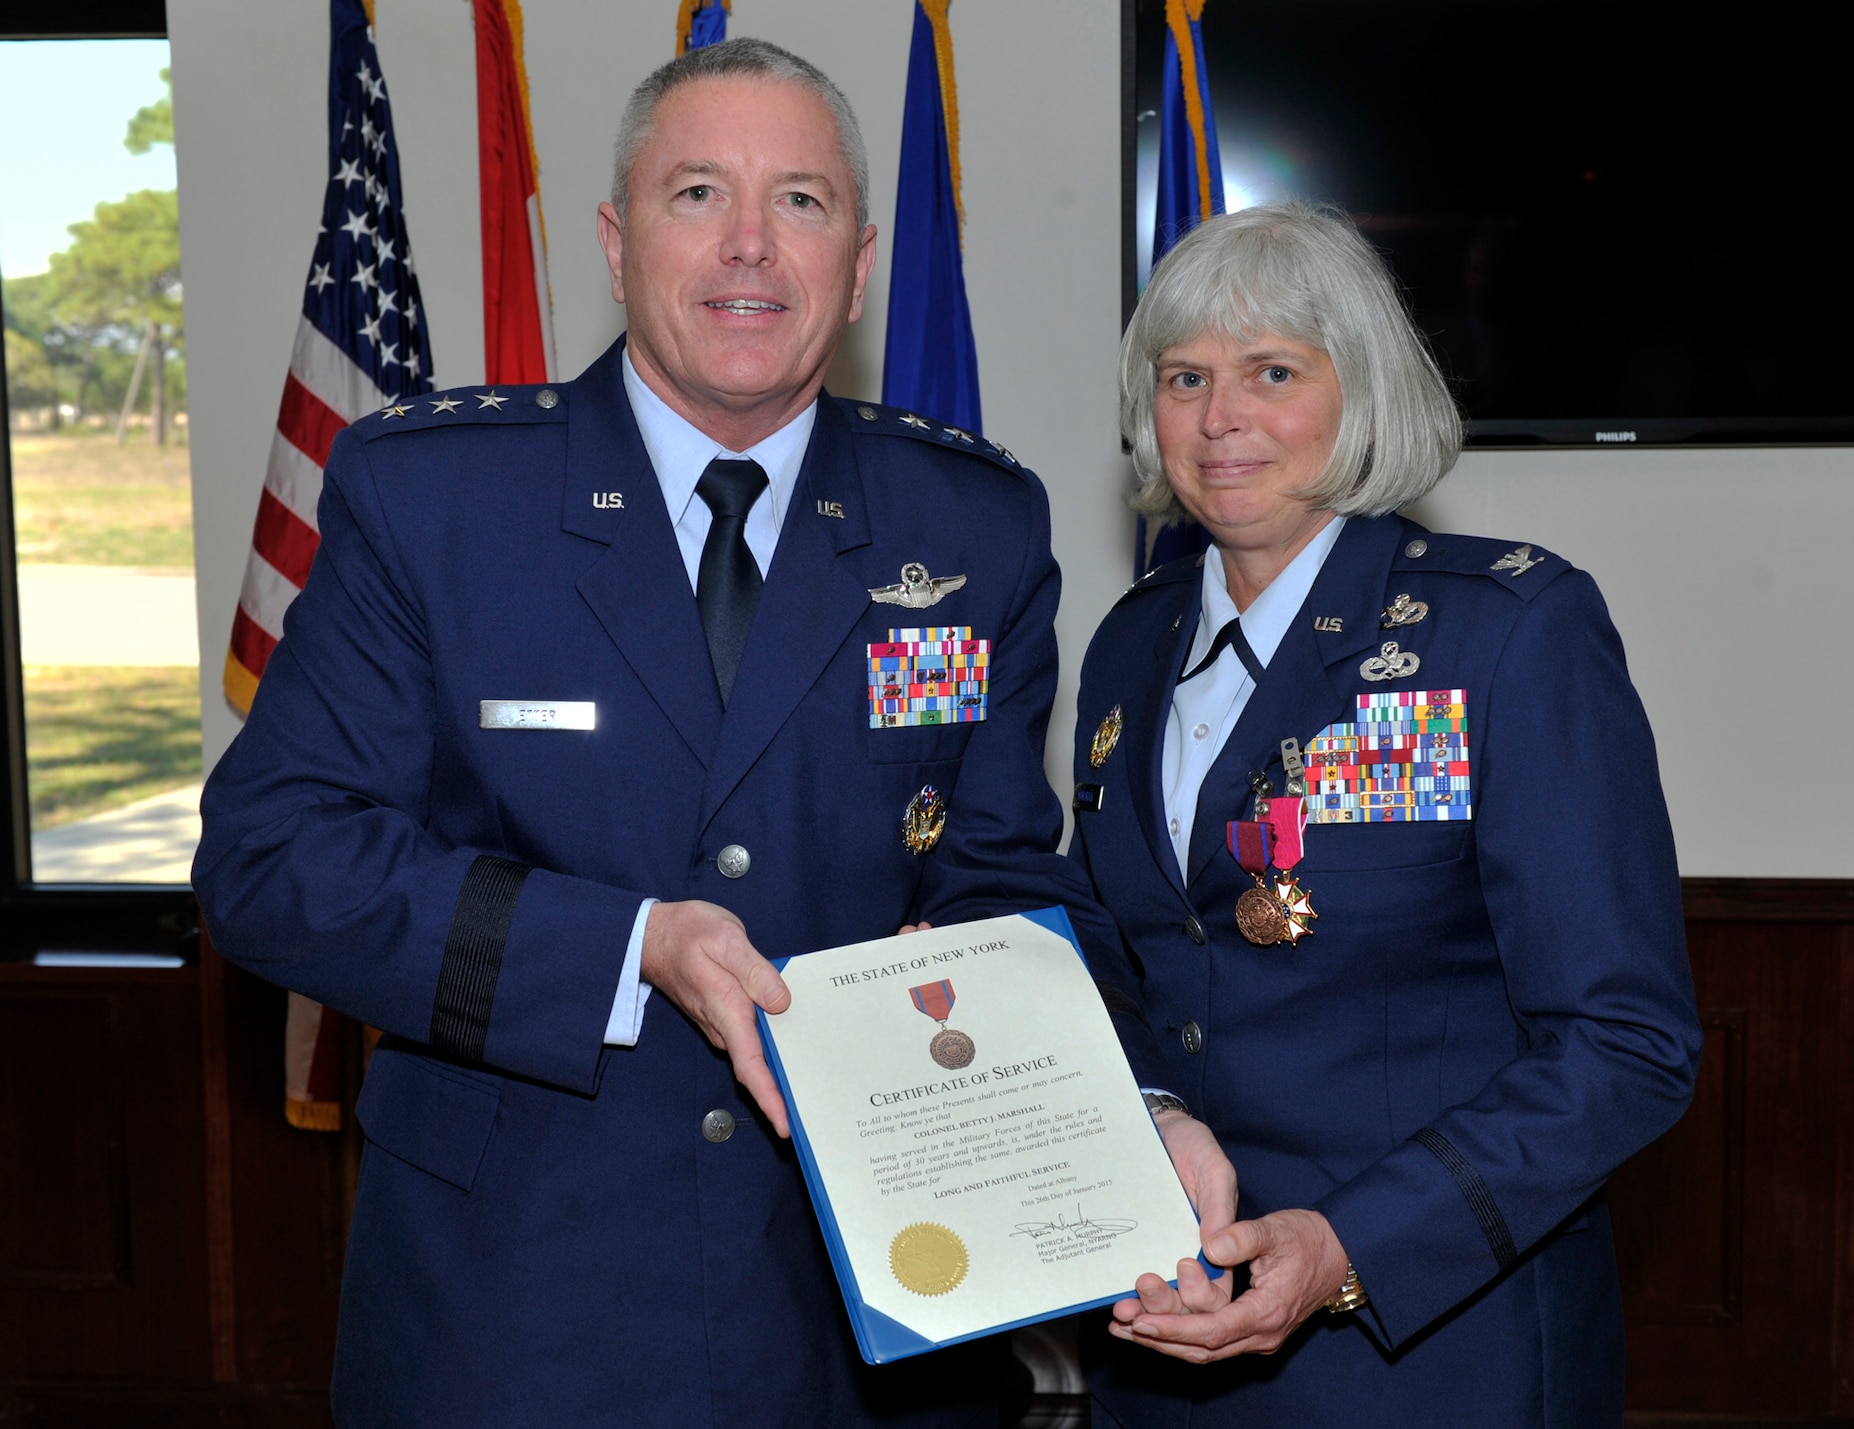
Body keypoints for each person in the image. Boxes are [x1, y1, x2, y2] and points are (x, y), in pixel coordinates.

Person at [195, 37, 1115, 1427]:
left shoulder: (969, 526)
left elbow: (996, 866)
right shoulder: (439, 501)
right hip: (518, 1313)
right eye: (699, 194)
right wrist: (629, 947)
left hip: (866, 1318)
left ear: (859, 263)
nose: (751, 245)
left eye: (800, 202)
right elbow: (272, 866)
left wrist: (1006, 995)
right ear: (619, 245)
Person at [1066, 203, 1703, 1427]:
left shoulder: (1507, 631)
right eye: (1183, 376)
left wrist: (1344, 1245)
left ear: (1358, 397)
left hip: (1426, 1348)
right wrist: (1151, 1106)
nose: (1218, 417)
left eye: (1271, 372)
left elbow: (1624, 1044)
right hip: (1164, 1332)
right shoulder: (1128, 643)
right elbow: (1104, 944)